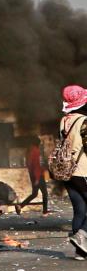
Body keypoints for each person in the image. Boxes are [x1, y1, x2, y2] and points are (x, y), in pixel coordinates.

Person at [58, 85, 87, 259]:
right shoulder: (84, 121)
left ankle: (80, 252)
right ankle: (82, 234)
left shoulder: (64, 121)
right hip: (83, 170)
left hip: (67, 172)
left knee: (80, 210)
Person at [17, 139, 49, 215]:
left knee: (34, 194)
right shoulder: (36, 151)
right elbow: (36, 166)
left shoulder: (29, 151)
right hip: (38, 176)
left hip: (33, 175)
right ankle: (45, 212)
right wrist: (37, 178)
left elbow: (30, 165)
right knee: (45, 194)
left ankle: (20, 205)